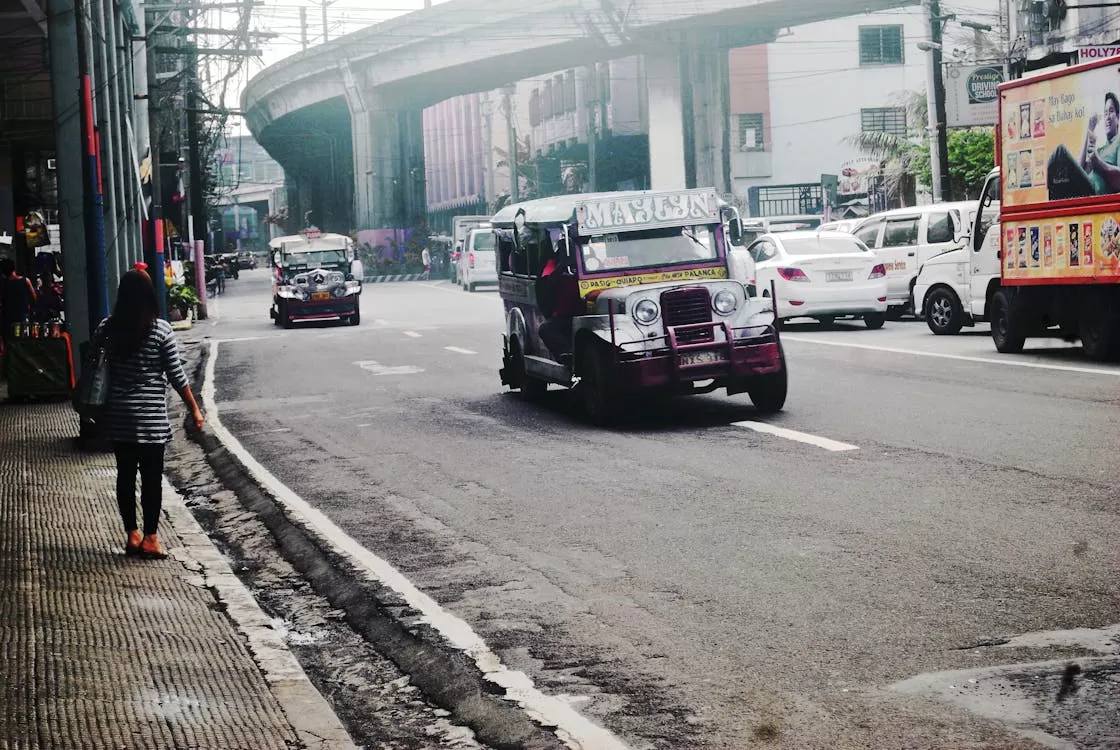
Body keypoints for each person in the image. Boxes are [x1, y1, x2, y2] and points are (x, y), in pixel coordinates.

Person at [96, 270, 204, 559]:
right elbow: (177, 375)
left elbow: (93, 364)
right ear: (149, 297)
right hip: (151, 419)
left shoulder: (107, 328)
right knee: (151, 479)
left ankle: (131, 534)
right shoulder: (160, 330)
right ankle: (151, 538)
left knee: (125, 476)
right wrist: (194, 408)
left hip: (119, 417)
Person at [536, 237, 581, 362]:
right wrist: (562, 267)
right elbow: (546, 284)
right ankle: (567, 355)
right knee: (545, 329)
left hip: (590, 312)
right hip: (565, 317)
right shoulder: (553, 266)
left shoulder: (589, 261)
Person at [1082, 92, 1120, 195]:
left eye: (1111, 111)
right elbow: (1080, 171)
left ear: (1118, 117)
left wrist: (1097, 161)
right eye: (1105, 113)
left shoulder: (1118, 143)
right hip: (1085, 198)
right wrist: (1089, 130)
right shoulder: (1099, 150)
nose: (1107, 117)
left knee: (1060, 151)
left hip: (1102, 204)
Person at [1, 258, 36, 365]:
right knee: (24, 343)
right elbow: (34, 298)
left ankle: (11, 367)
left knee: (10, 344)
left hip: (8, 320)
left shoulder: (3, 284)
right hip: (23, 318)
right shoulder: (25, 281)